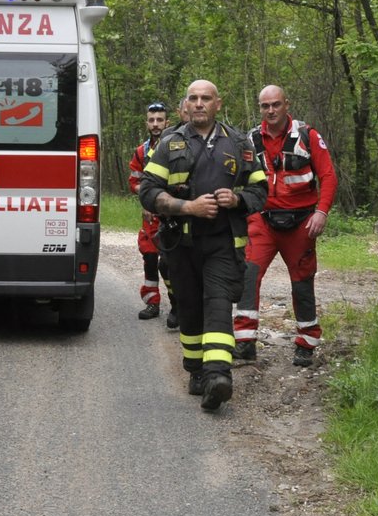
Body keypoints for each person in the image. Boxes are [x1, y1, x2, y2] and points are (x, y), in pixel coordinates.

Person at [138, 80, 268, 411]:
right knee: (191, 308)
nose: (199, 104)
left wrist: (237, 199)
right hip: (180, 244)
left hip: (223, 241)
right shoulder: (170, 143)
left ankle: (218, 377)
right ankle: (195, 371)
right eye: (193, 98)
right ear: (186, 104)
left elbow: (261, 191)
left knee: (219, 304)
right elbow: (148, 190)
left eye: (206, 98)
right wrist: (187, 207)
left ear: (217, 104)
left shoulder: (240, 143)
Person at [232, 84, 338, 367]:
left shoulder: (307, 136)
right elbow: (235, 177)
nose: (271, 111)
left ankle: (306, 342)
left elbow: (328, 176)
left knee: (302, 282)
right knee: (247, 276)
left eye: (275, 105)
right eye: (265, 106)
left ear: (286, 104)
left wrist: (322, 212)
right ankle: (244, 343)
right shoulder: (250, 140)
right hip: (262, 221)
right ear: (259, 107)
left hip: (301, 223)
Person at [128, 102, 176, 325]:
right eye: (151, 120)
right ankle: (152, 302)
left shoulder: (177, 146)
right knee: (148, 257)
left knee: (168, 262)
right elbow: (134, 181)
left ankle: (177, 305)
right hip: (150, 217)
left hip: (172, 214)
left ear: (168, 122)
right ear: (146, 122)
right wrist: (147, 199)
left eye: (160, 120)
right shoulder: (142, 150)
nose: (156, 124)